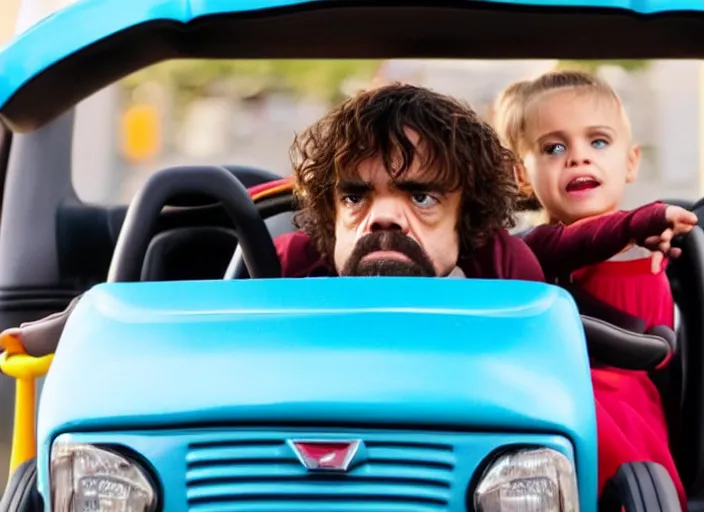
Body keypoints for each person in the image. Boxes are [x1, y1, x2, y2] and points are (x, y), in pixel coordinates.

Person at [0, 83, 692, 505]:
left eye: (422, 196)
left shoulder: (506, 270)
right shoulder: (287, 264)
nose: (384, 217)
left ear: (468, 222)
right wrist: (74, 322)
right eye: (356, 196)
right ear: (327, 215)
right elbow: (182, 320)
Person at [492, 70, 695, 508]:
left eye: (598, 142)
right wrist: (640, 224)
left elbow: (615, 232)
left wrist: (651, 227)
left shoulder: (646, 236)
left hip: (627, 425)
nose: (578, 158)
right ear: (521, 175)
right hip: (547, 418)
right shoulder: (529, 248)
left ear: (631, 161)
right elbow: (575, 241)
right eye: (554, 147)